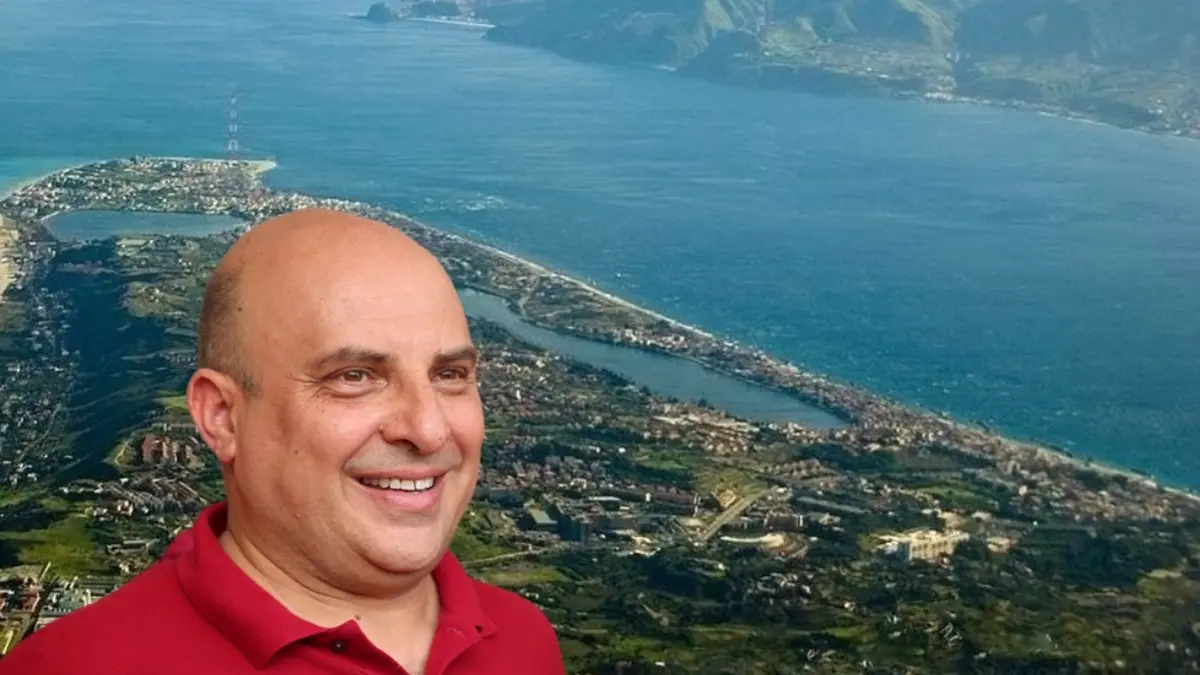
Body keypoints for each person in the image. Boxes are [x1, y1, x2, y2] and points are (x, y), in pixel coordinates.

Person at [0, 207, 567, 674]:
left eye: (450, 375)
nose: (428, 429)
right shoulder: (72, 665)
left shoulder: (523, 640)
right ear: (222, 417)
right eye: (354, 376)